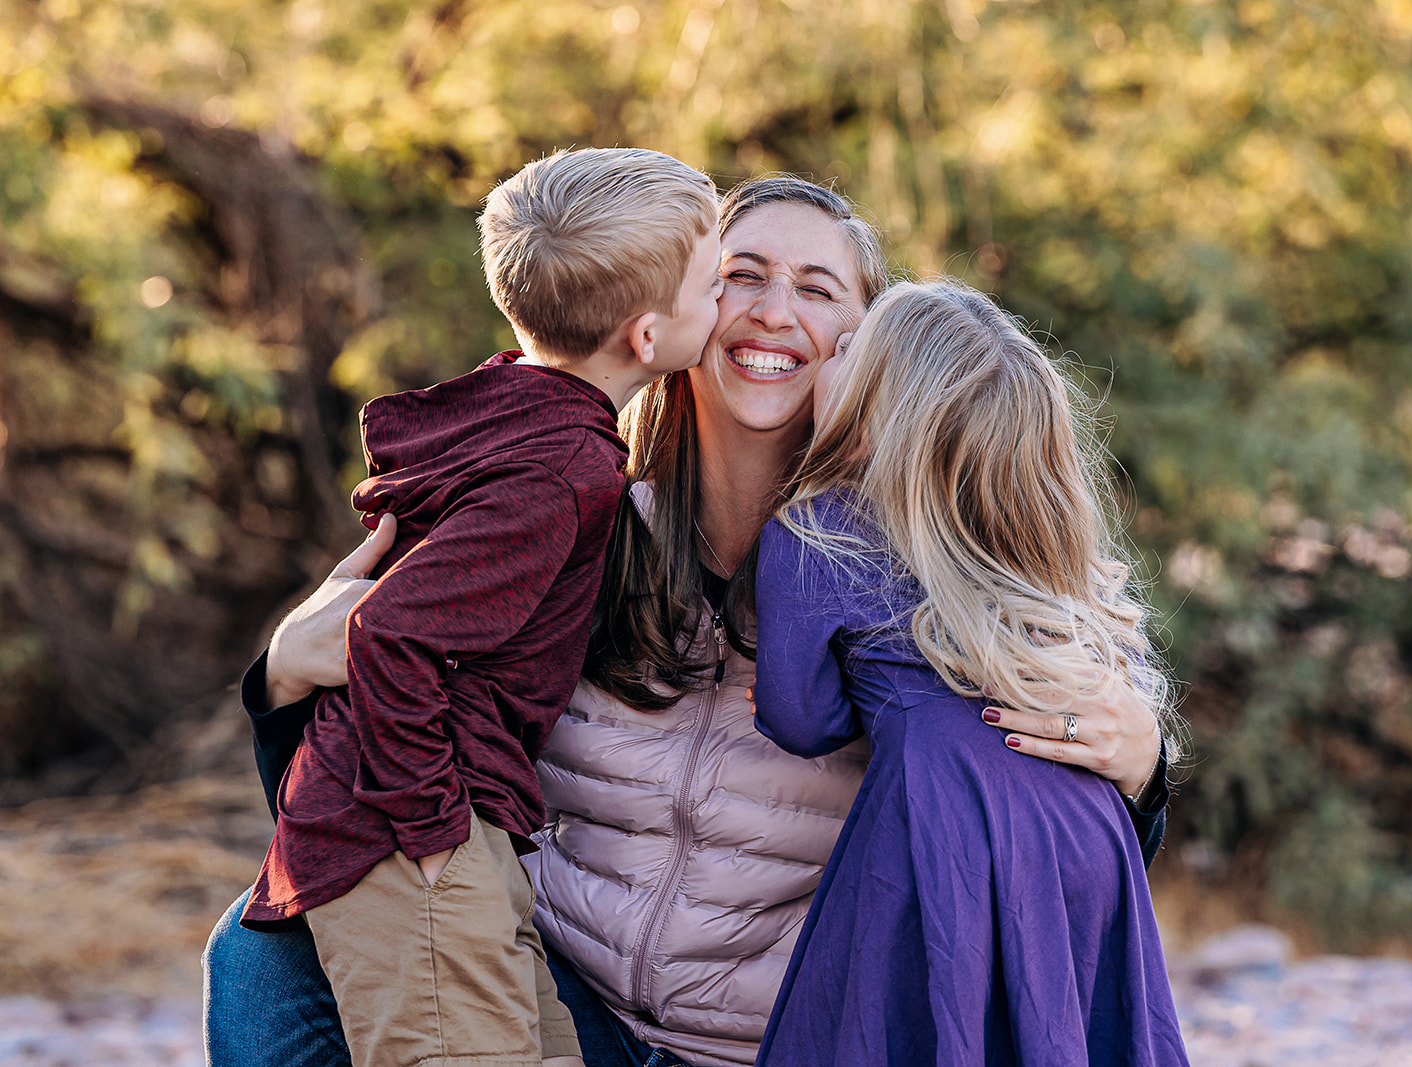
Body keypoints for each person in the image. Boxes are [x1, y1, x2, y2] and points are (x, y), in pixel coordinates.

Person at [204, 177, 1174, 1067]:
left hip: (781, 1036)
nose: (771, 310)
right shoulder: (567, 522)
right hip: (564, 1005)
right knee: (260, 946)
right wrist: (285, 682)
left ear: (872, 347)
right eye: (739, 275)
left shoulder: (944, 576)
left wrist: (1140, 776)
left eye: (818, 288)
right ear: (667, 316)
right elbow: (363, 782)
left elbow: (1034, 842)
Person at [237, 147, 723, 1067]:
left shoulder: (513, 406)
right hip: (413, 828)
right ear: (649, 341)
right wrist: (429, 835)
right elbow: (386, 633)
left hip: (448, 820)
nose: (729, 300)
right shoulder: (561, 469)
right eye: (716, 282)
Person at [750, 280, 1188, 1065]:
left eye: (850, 346)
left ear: (882, 400)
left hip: (941, 826)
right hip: (1085, 834)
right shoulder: (1035, 547)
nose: (828, 347)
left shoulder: (815, 528)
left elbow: (799, 718)